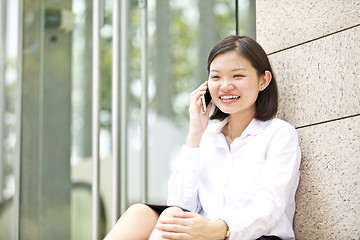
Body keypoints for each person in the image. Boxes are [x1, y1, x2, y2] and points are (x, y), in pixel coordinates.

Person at [103, 35, 301, 240]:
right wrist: (195, 135)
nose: (225, 85)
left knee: (173, 220)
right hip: (203, 234)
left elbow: (269, 208)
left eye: (237, 76)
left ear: (263, 80)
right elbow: (180, 204)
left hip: (253, 236)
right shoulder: (208, 138)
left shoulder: (279, 134)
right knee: (142, 212)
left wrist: (219, 229)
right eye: (216, 77)